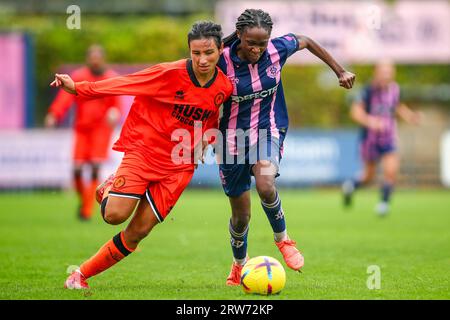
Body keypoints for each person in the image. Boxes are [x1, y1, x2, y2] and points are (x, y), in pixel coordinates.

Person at [54, 21, 233, 289]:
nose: (202, 59)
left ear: (220, 49)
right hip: (144, 152)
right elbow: (124, 83)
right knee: (113, 215)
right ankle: (110, 187)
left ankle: (79, 275)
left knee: (139, 232)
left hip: (180, 167)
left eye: (208, 53)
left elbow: (210, 119)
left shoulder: (224, 87)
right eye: (196, 53)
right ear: (189, 51)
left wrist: (207, 139)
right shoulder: (168, 73)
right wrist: (79, 88)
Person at [216, 8, 355, 285]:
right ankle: (238, 265)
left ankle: (284, 240)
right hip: (231, 140)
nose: (257, 49)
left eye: (262, 43)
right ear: (239, 36)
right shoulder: (221, 60)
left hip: (269, 129)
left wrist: (340, 71)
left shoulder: (278, 50)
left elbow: (306, 40)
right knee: (241, 217)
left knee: (266, 184)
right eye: (250, 43)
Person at [45, 45, 122, 220]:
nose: (95, 61)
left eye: (98, 58)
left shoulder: (111, 79)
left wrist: (114, 112)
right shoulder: (79, 77)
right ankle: (85, 199)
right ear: (88, 60)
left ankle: (87, 210)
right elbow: (65, 98)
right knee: (77, 169)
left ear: (103, 59)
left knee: (95, 166)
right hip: (82, 129)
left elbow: (117, 104)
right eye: (92, 58)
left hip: (101, 129)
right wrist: (54, 114)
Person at [342, 60, 421, 216]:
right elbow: (355, 112)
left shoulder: (395, 89)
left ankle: (383, 204)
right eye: (383, 71)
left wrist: (410, 116)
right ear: (376, 73)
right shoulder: (367, 90)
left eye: (389, 72)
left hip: (389, 137)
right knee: (368, 177)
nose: (387, 75)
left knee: (391, 171)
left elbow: (397, 106)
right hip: (370, 139)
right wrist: (371, 122)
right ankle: (350, 186)